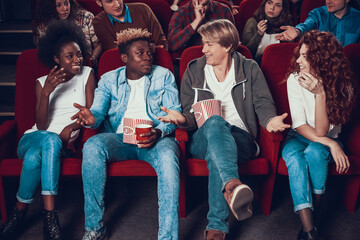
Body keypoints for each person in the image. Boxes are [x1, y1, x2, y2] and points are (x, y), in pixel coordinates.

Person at [159, 19, 290, 240]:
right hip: (202, 136)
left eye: (210, 44)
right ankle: (232, 186)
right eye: (203, 43)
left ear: (228, 45)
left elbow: (263, 103)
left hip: (241, 139)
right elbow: (191, 117)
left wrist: (269, 121)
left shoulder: (249, 68)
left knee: (215, 152)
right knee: (215, 122)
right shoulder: (194, 70)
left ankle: (217, 226)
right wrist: (182, 119)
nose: (203, 49)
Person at [71, 28, 181, 240]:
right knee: (92, 146)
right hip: (120, 139)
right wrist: (91, 118)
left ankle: (168, 237)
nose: (148, 56)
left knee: (169, 158)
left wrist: (158, 131)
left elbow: (174, 113)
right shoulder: (108, 80)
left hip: (156, 138)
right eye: (140, 53)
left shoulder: (164, 75)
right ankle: (94, 229)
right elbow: (98, 112)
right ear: (124, 58)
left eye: (149, 52)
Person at [0, 20, 96, 240]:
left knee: (35, 158)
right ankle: (50, 217)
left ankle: (18, 214)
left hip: (57, 145)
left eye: (79, 54)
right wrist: (46, 93)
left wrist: (71, 128)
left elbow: (90, 113)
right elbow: (41, 126)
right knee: (47, 141)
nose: (77, 60)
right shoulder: (42, 82)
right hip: (33, 138)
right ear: (56, 59)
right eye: (69, 56)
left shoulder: (87, 75)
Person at [281, 30, 357, 240]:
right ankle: (310, 231)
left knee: (315, 151)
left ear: (321, 59)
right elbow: (299, 125)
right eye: (300, 54)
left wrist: (320, 93)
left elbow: (322, 131)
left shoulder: (344, 84)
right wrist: (333, 145)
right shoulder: (294, 79)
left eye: (305, 56)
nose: (299, 60)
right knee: (295, 158)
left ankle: (310, 225)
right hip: (298, 137)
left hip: (324, 138)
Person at [32, 0, 102, 66]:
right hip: (57, 68)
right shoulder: (43, 27)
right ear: (49, 7)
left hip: (86, 65)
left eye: (66, 3)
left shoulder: (86, 17)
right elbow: (45, 55)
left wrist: (93, 58)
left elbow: (98, 45)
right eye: (58, 5)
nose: (64, 8)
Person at [93, 0, 168, 53]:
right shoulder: (99, 21)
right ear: (99, 2)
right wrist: (148, 47)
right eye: (109, 1)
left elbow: (162, 45)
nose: (117, 4)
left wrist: (128, 47)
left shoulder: (144, 9)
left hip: (155, 64)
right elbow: (115, 53)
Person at [275, 0, 360, 46]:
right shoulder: (318, 13)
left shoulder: (358, 18)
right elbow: (307, 25)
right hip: (322, 67)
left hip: (350, 70)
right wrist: (298, 31)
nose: (328, 1)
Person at [167, 0, 234, 52]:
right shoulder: (180, 13)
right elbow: (172, 45)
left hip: (219, 58)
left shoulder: (224, 10)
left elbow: (233, 41)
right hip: (193, 60)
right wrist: (197, 21)